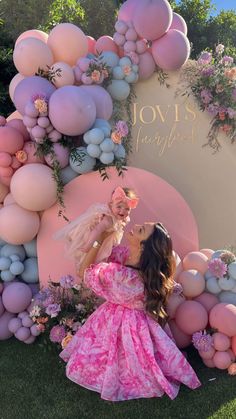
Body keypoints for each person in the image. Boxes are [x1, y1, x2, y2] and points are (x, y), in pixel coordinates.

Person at [60, 222, 201, 401]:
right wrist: (108, 235)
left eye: (141, 230)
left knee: (113, 354)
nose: (136, 225)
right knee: (134, 355)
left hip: (120, 322)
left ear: (143, 246)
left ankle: (115, 377)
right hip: (139, 323)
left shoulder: (122, 276)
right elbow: (112, 253)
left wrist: (96, 241)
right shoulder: (133, 261)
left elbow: (84, 273)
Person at [54, 186, 139, 270]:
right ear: (111, 204)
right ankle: (85, 260)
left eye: (127, 209)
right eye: (119, 207)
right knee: (89, 257)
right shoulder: (108, 220)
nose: (122, 211)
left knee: (99, 258)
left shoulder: (120, 218)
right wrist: (88, 245)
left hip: (102, 241)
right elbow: (96, 230)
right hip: (91, 238)